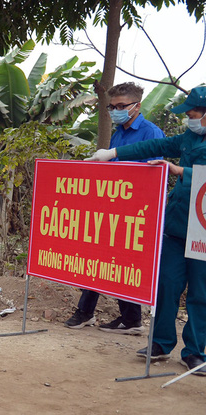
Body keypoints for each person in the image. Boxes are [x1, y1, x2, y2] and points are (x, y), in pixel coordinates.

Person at [86, 85, 206, 376]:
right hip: (177, 224)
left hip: (202, 226)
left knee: (200, 293)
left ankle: (195, 352)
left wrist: (181, 172)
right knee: (166, 284)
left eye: (192, 113)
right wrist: (113, 152)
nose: (188, 117)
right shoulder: (190, 136)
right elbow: (152, 147)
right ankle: (161, 343)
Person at [65, 82, 164, 334]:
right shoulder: (118, 132)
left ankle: (126, 318)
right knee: (100, 257)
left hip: (137, 213)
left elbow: (152, 174)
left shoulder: (152, 133)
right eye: (112, 106)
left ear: (137, 106)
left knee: (124, 263)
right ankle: (96, 313)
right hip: (112, 208)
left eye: (121, 106)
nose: (116, 110)